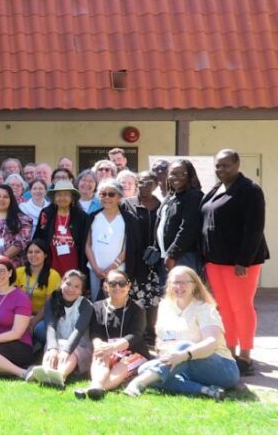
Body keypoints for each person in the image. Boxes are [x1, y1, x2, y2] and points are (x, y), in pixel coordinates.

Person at [200, 149, 269, 376]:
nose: (221, 170)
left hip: (240, 263)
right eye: (218, 166)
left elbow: (255, 227)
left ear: (237, 164)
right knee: (225, 308)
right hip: (215, 261)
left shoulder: (249, 189)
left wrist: (244, 260)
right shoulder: (215, 188)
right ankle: (229, 351)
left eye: (226, 165)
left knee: (242, 307)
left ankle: (246, 355)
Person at [123, 266, 238, 400]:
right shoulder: (165, 306)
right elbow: (161, 339)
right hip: (183, 366)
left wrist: (183, 354)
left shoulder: (205, 308)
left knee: (182, 346)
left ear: (194, 285)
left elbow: (211, 342)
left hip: (221, 368)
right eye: (175, 282)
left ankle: (138, 383)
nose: (179, 286)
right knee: (144, 370)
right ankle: (205, 390)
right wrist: (166, 354)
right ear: (169, 285)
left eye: (184, 282)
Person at [74, 269, 149, 400]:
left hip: (134, 351)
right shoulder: (97, 307)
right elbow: (95, 332)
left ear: (128, 286)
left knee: (122, 365)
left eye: (122, 283)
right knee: (100, 355)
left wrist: (113, 348)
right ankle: (96, 385)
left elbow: (136, 335)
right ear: (105, 286)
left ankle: (91, 389)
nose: (117, 287)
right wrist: (99, 345)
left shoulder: (138, 308)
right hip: (108, 350)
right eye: (113, 283)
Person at [28, 269, 94, 388]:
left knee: (72, 353)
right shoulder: (52, 301)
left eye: (76, 287)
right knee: (50, 350)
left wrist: (67, 350)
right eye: (68, 284)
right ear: (62, 282)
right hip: (58, 341)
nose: (71, 289)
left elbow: (78, 331)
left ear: (81, 290)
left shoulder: (86, 305)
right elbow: (50, 327)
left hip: (79, 345)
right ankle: (45, 372)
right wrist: (52, 348)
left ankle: (60, 375)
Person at [85, 179, 142, 301]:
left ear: (119, 197)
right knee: (96, 302)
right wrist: (96, 268)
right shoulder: (92, 217)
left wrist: (112, 267)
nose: (107, 198)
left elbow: (129, 247)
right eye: (103, 194)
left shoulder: (128, 219)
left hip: (118, 270)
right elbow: (87, 245)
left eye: (111, 194)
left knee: (117, 301)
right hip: (95, 271)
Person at [156, 160, 203, 276]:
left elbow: (188, 229)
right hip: (166, 256)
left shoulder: (193, 196)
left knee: (184, 293)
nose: (176, 177)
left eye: (181, 174)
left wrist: (172, 254)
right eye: (172, 174)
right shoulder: (172, 197)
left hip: (183, 257)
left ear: (190, 175)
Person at [35, 181, 90, 278]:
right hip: (51, 264)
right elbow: (39, 238)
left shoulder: (82, 217)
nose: (62, 198)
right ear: (54, 198)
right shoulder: (46, 214)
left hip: (74, 264)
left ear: (72, 198)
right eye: (59, 195)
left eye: (66, 195)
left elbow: (85, 243)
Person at [13, 239, 61, 346]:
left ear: (45, 255)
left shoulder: (53, 275)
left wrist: (33, 322)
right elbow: (12, 299)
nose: (33, 255)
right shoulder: (18, 272)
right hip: (21, 315)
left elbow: (49, 305)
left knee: (40, 330)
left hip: (42, 317)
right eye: (30, 252)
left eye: (37, 252)